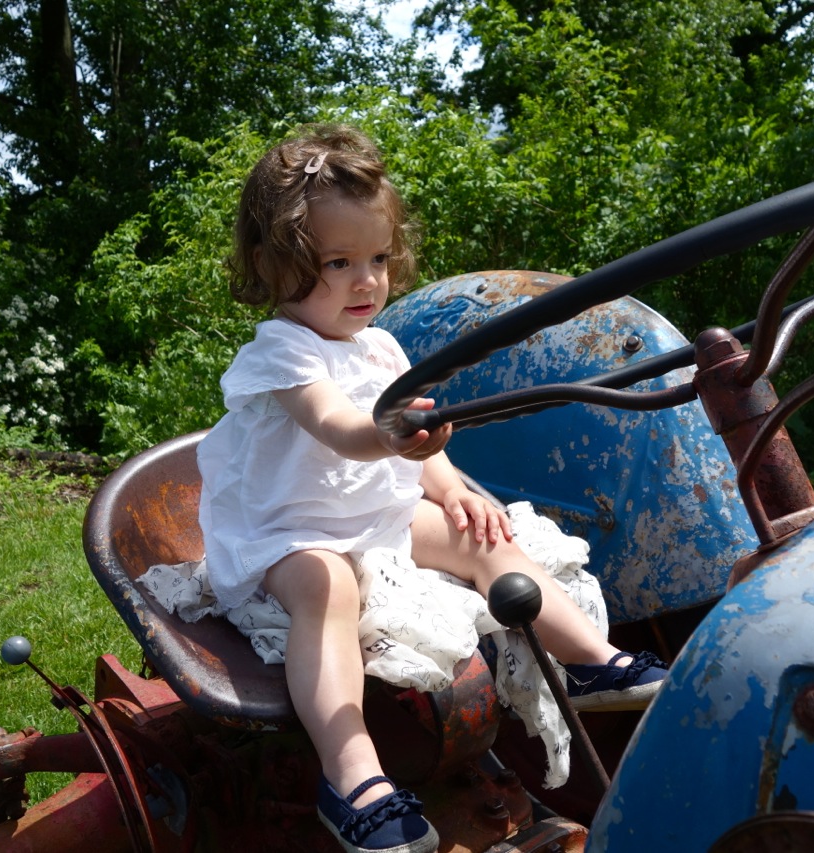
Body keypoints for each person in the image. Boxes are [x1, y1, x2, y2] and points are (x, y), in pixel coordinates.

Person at [197, 124, 667, 853]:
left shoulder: (381, 345)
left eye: (378, 258)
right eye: (338, 263)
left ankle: (587, 660)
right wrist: (389, 435)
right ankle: (352, 774)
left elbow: (418, 449)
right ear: (273, 264)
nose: (367, 281)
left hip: (373, 519)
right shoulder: (282, 350)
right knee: (327, 587)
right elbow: (339, 427)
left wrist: (450, 490)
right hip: (290, 535)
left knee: (485, 533)